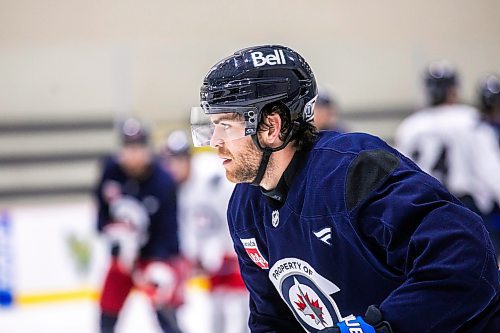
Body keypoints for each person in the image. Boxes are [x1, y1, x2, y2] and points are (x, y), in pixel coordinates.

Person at [189, 45, 500, 332]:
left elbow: (467, 259)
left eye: (226, 125)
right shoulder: (245, 209)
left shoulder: (352, 172)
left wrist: (381, 326)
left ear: (272, 126)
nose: (215, 141)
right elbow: (272, 317)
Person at [95, 118, 185, 333]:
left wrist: (158, 264)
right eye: (128, 147)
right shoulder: (110, 171)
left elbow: (169, 229)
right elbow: (101, 215)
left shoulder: (163, 181)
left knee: (165, 312)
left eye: (139, 147)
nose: (133, 154)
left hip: (154, 257)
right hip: (122, 258)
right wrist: (115, 241)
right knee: (107, 311)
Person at [160, 130, 250, 333]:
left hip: (235, 250)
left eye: (178, 159)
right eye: (170, 161)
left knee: (245, 305)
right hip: (214, 255)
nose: (174, 166)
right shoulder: (174, 189)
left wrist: (234, 248)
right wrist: (196, 255)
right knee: (216, 307)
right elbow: (191, 226)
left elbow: (233, 208)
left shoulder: (211, 174)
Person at [394, 61, 483, 213]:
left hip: (423, 201)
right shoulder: (469, 118)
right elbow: (487, 164)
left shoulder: (410, 125)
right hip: (463, 201)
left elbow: (399, 169)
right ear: (452, 89)